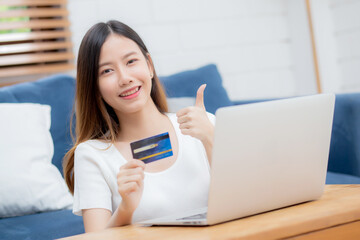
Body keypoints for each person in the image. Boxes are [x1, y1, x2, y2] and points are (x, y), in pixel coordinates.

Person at [63, 20, 215, 232]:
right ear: (94, 86)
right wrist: (126, 208)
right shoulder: (91, 155)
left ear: (149, 65)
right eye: (107, 71)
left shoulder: (205, 125)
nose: (125, 78)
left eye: (131, 61)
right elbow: (95, 238)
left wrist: (211, 140)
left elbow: (247, 201)